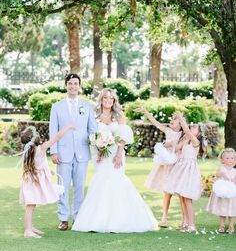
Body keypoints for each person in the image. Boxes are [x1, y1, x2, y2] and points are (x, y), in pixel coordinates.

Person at [72, 88, 157, 233]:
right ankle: (98, 220)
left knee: (116, 180)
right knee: (101, 181)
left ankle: (119, 220)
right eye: (105, 98)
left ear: (114, 101)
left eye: (111, 98)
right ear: (101, 99)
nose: (108, 101)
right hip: (99, 155)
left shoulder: (119, 115)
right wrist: (98, 149)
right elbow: (92, 135)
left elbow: (123, 136)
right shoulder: (95, 116)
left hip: (115, 154)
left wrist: (118, 154)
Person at [49, 73, 97, 231]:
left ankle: (78, 217)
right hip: (63, 154)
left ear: (79, 86)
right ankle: (63, 219)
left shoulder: (87, 105)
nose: (73, 86)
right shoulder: (57, 107)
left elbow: (93, 129)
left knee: (79, 187)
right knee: (62, 187)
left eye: (75, 83)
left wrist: (98, 144)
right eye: (70, 83)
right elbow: (53, 130)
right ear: (65, 86)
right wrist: (54, 151)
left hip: (82, 153)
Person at [19, 124, 75, 238]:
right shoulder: (42, 147)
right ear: (37, 138)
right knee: (30, 205)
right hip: (34, 181)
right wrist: (67, 127)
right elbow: (57, 137)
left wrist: (49, 171)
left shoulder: (28, 151)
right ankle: (28, 231)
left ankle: (30, 227)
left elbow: (35, 166)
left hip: (30, 180)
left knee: (31, 204)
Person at [134, 108, 185, 228]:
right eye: (172, 118)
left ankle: (185, 220)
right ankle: (164, 218)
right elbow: (155, 122)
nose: (172, 120)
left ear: (181, 123)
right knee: (167, 192)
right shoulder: (167, 129)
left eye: (175, 119)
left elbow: (179, 147)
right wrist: (146, 112)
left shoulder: (183, 134)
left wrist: (170, 144)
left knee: (181, 193)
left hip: (178, 164)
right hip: (167, 163)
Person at [164, 114, 204, 232]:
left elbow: (186, 130)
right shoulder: (186, 140)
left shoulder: (195, 141)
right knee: (182, 197)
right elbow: (176, 148)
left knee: (187, 198)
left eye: (194, 128)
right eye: (191, 127)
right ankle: (185, 222)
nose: (191, 129)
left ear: (199, 133)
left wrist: (180, 118)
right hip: (182, 168)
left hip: (189, 171)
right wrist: (168, 144)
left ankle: (192, 225)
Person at [206, 148, 236, 234]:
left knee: (231, 210)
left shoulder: (235, 171)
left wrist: (233, 180)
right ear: (222, 160)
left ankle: (231, 225)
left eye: (232, 158)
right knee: (222, 209)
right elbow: (217, 175)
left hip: (231, 193)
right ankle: (222, 225)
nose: (230, 160)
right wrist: (223, 174)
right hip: (222, 192)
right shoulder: (221, 168)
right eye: (227, 158)